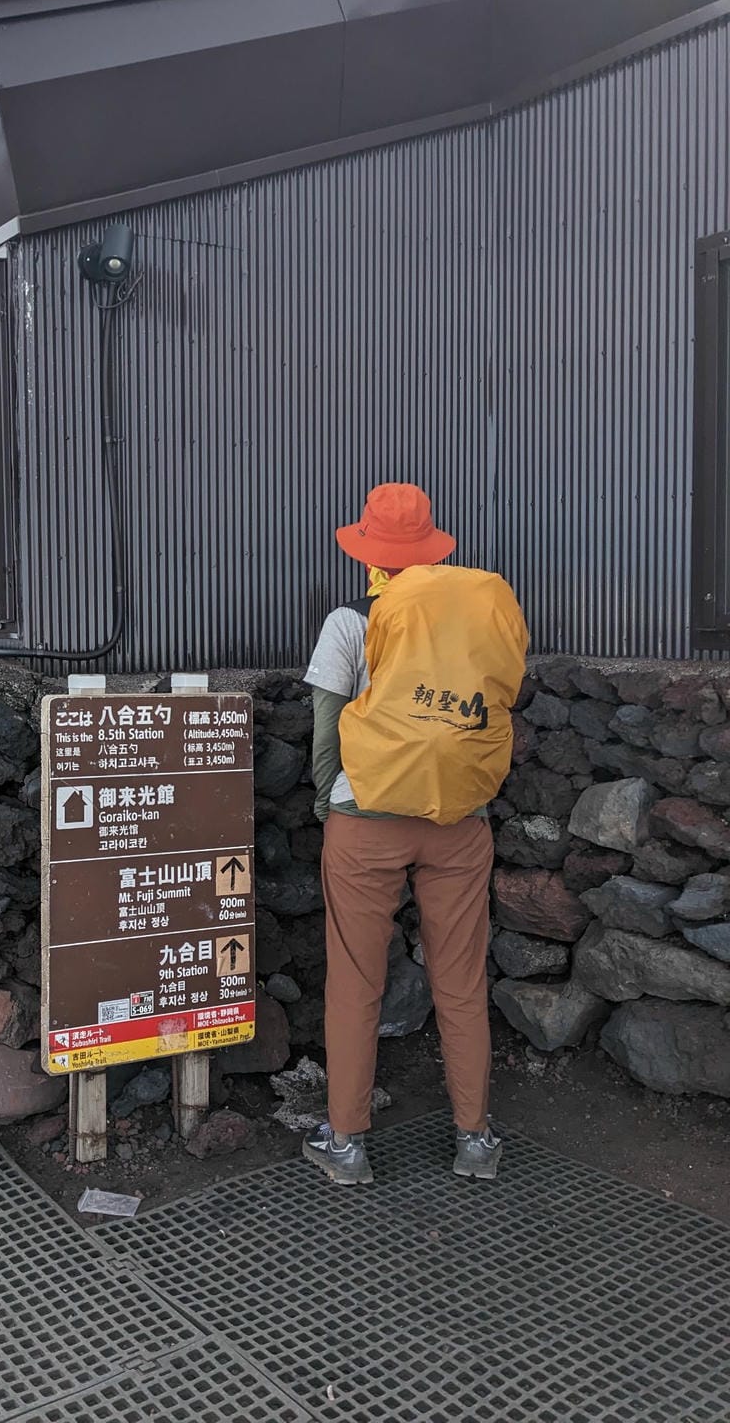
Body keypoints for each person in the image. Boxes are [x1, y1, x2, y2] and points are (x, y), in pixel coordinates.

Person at [301, 482, 526, 1185]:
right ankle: (475, 1141)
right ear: (430, 552)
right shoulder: (471, 627)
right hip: (458, 823)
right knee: (459, 982)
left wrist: (327, 804)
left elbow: (324, 736)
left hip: (364, 822)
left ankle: (347, 1147)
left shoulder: (350, 623)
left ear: (368, 554)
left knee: (356, 982)